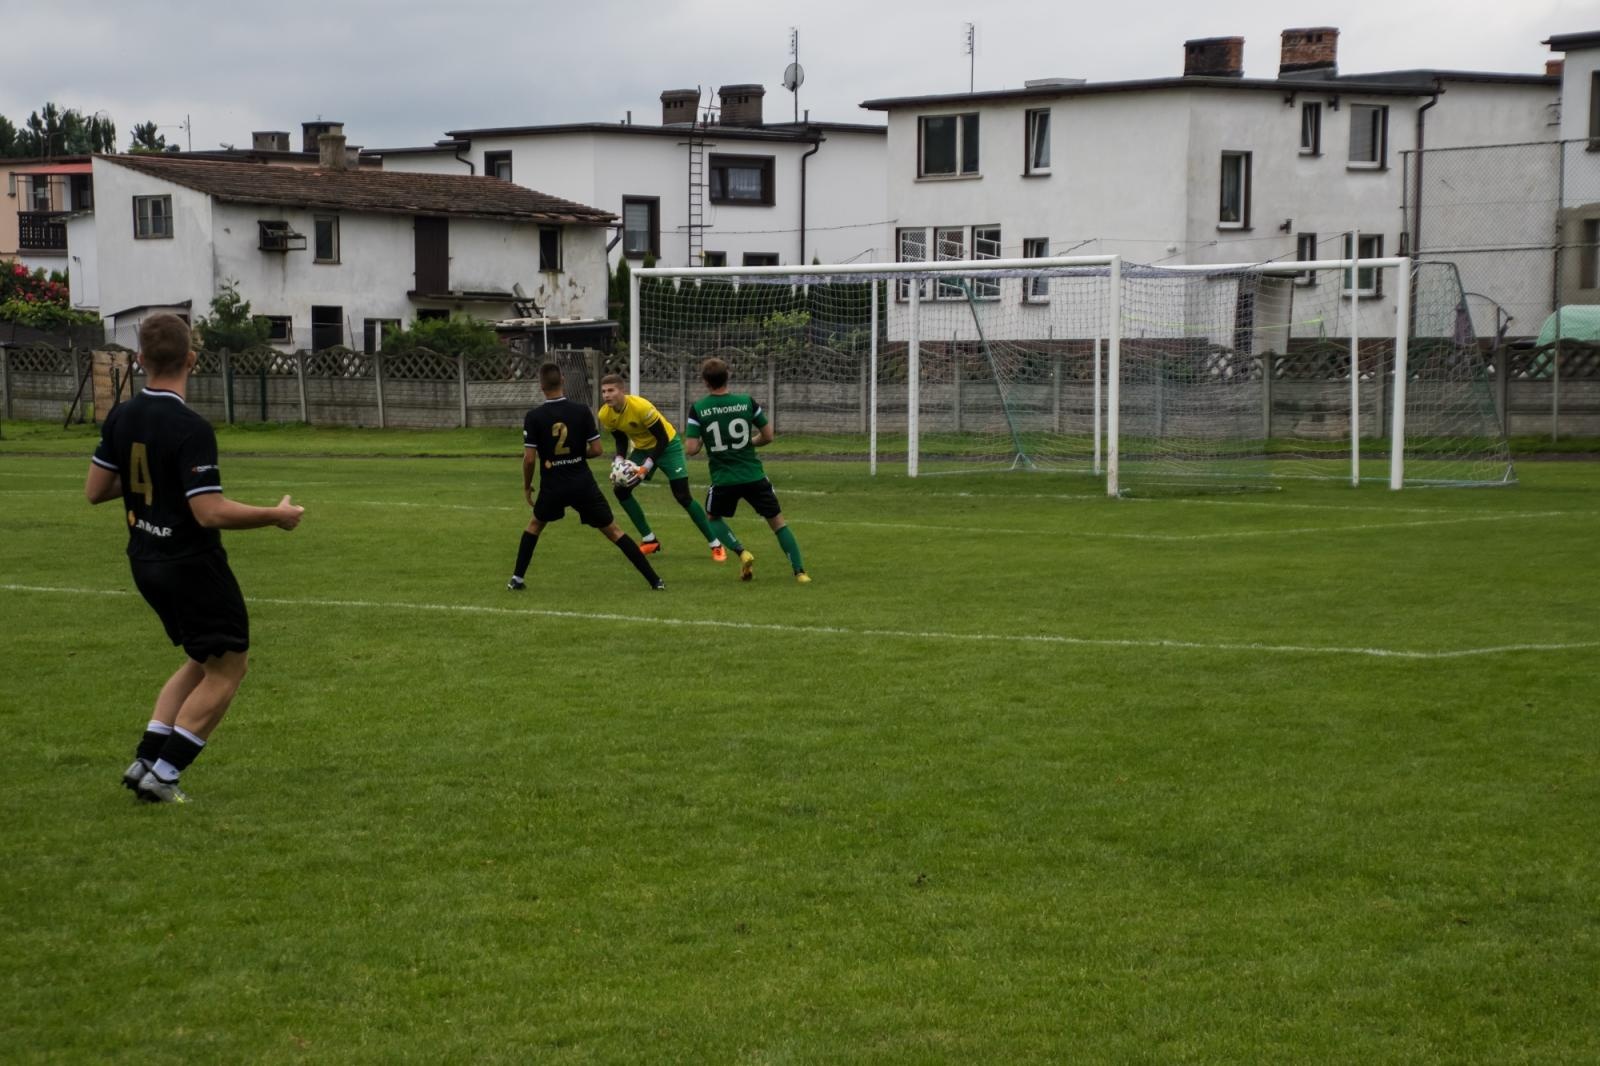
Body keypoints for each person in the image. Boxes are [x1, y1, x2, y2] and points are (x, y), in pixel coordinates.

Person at [84, 312, 304, 804]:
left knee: (202, 658)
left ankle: (146, 757)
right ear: (192, 359)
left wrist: (157, 483)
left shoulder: (121, 416)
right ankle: (164, 774)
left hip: (144, 558)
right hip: (189, 562)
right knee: (229, 667)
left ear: (139, 360)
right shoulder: (190, 426)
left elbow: (96, 490)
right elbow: (208, 512)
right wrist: (276, 514)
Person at [507, 363, 664, 593]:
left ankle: (516, 579)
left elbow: (529, 459)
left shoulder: (534, 416)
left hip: (553, 484)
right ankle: (654, 580)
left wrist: (527, 485)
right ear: (563, 380)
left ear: (540, 386)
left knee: (535, 525)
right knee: (613, 531)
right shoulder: (581, 411)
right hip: (581, 481)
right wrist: (575, 455)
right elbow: (598, 450)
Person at [596, 373, 745, 564]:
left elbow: (662, 438)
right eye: (603, 391)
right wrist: (618, 460)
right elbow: (620, 438)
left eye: (611, 390)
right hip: (642, 448)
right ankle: (650, 540)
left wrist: (646, 466)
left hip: (668, 446)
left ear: (622, 391)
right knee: (621, 491)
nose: (607, 395)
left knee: (682, 496)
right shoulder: (604, 414)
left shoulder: (641, 407)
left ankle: (715, 544)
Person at [682, 357, 808, 584]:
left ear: (704, 382)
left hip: (724, 479)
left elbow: (690, 449)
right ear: (727, 375)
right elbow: (768, 436)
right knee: (778, 523)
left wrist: (702, 442)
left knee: (712, 518)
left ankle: (741, 552)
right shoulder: (747, 402)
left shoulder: (698, 409)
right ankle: (800, 572)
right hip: (754, 475)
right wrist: (750, 442)